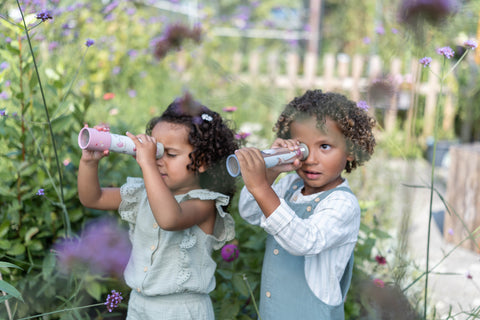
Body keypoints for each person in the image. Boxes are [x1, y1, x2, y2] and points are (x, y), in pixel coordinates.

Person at [77, 93, 238, 320]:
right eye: (156, 153)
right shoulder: (142, 193)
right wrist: (89, 162)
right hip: (139, 304)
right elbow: (93, 198)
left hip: (181, 310)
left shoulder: (204, 203)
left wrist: (148, 164)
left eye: (169, 154)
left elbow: (170, 219)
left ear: (202, 162)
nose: (158, 160)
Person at [235, 89, 376, 320]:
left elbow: (304, 241)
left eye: (325, 147)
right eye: (302, 147)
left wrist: (261, 187)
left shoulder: (343, 204)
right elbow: (250, 212)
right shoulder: (290, 184)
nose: (311, 159)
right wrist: (270, 172)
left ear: (350, 150)